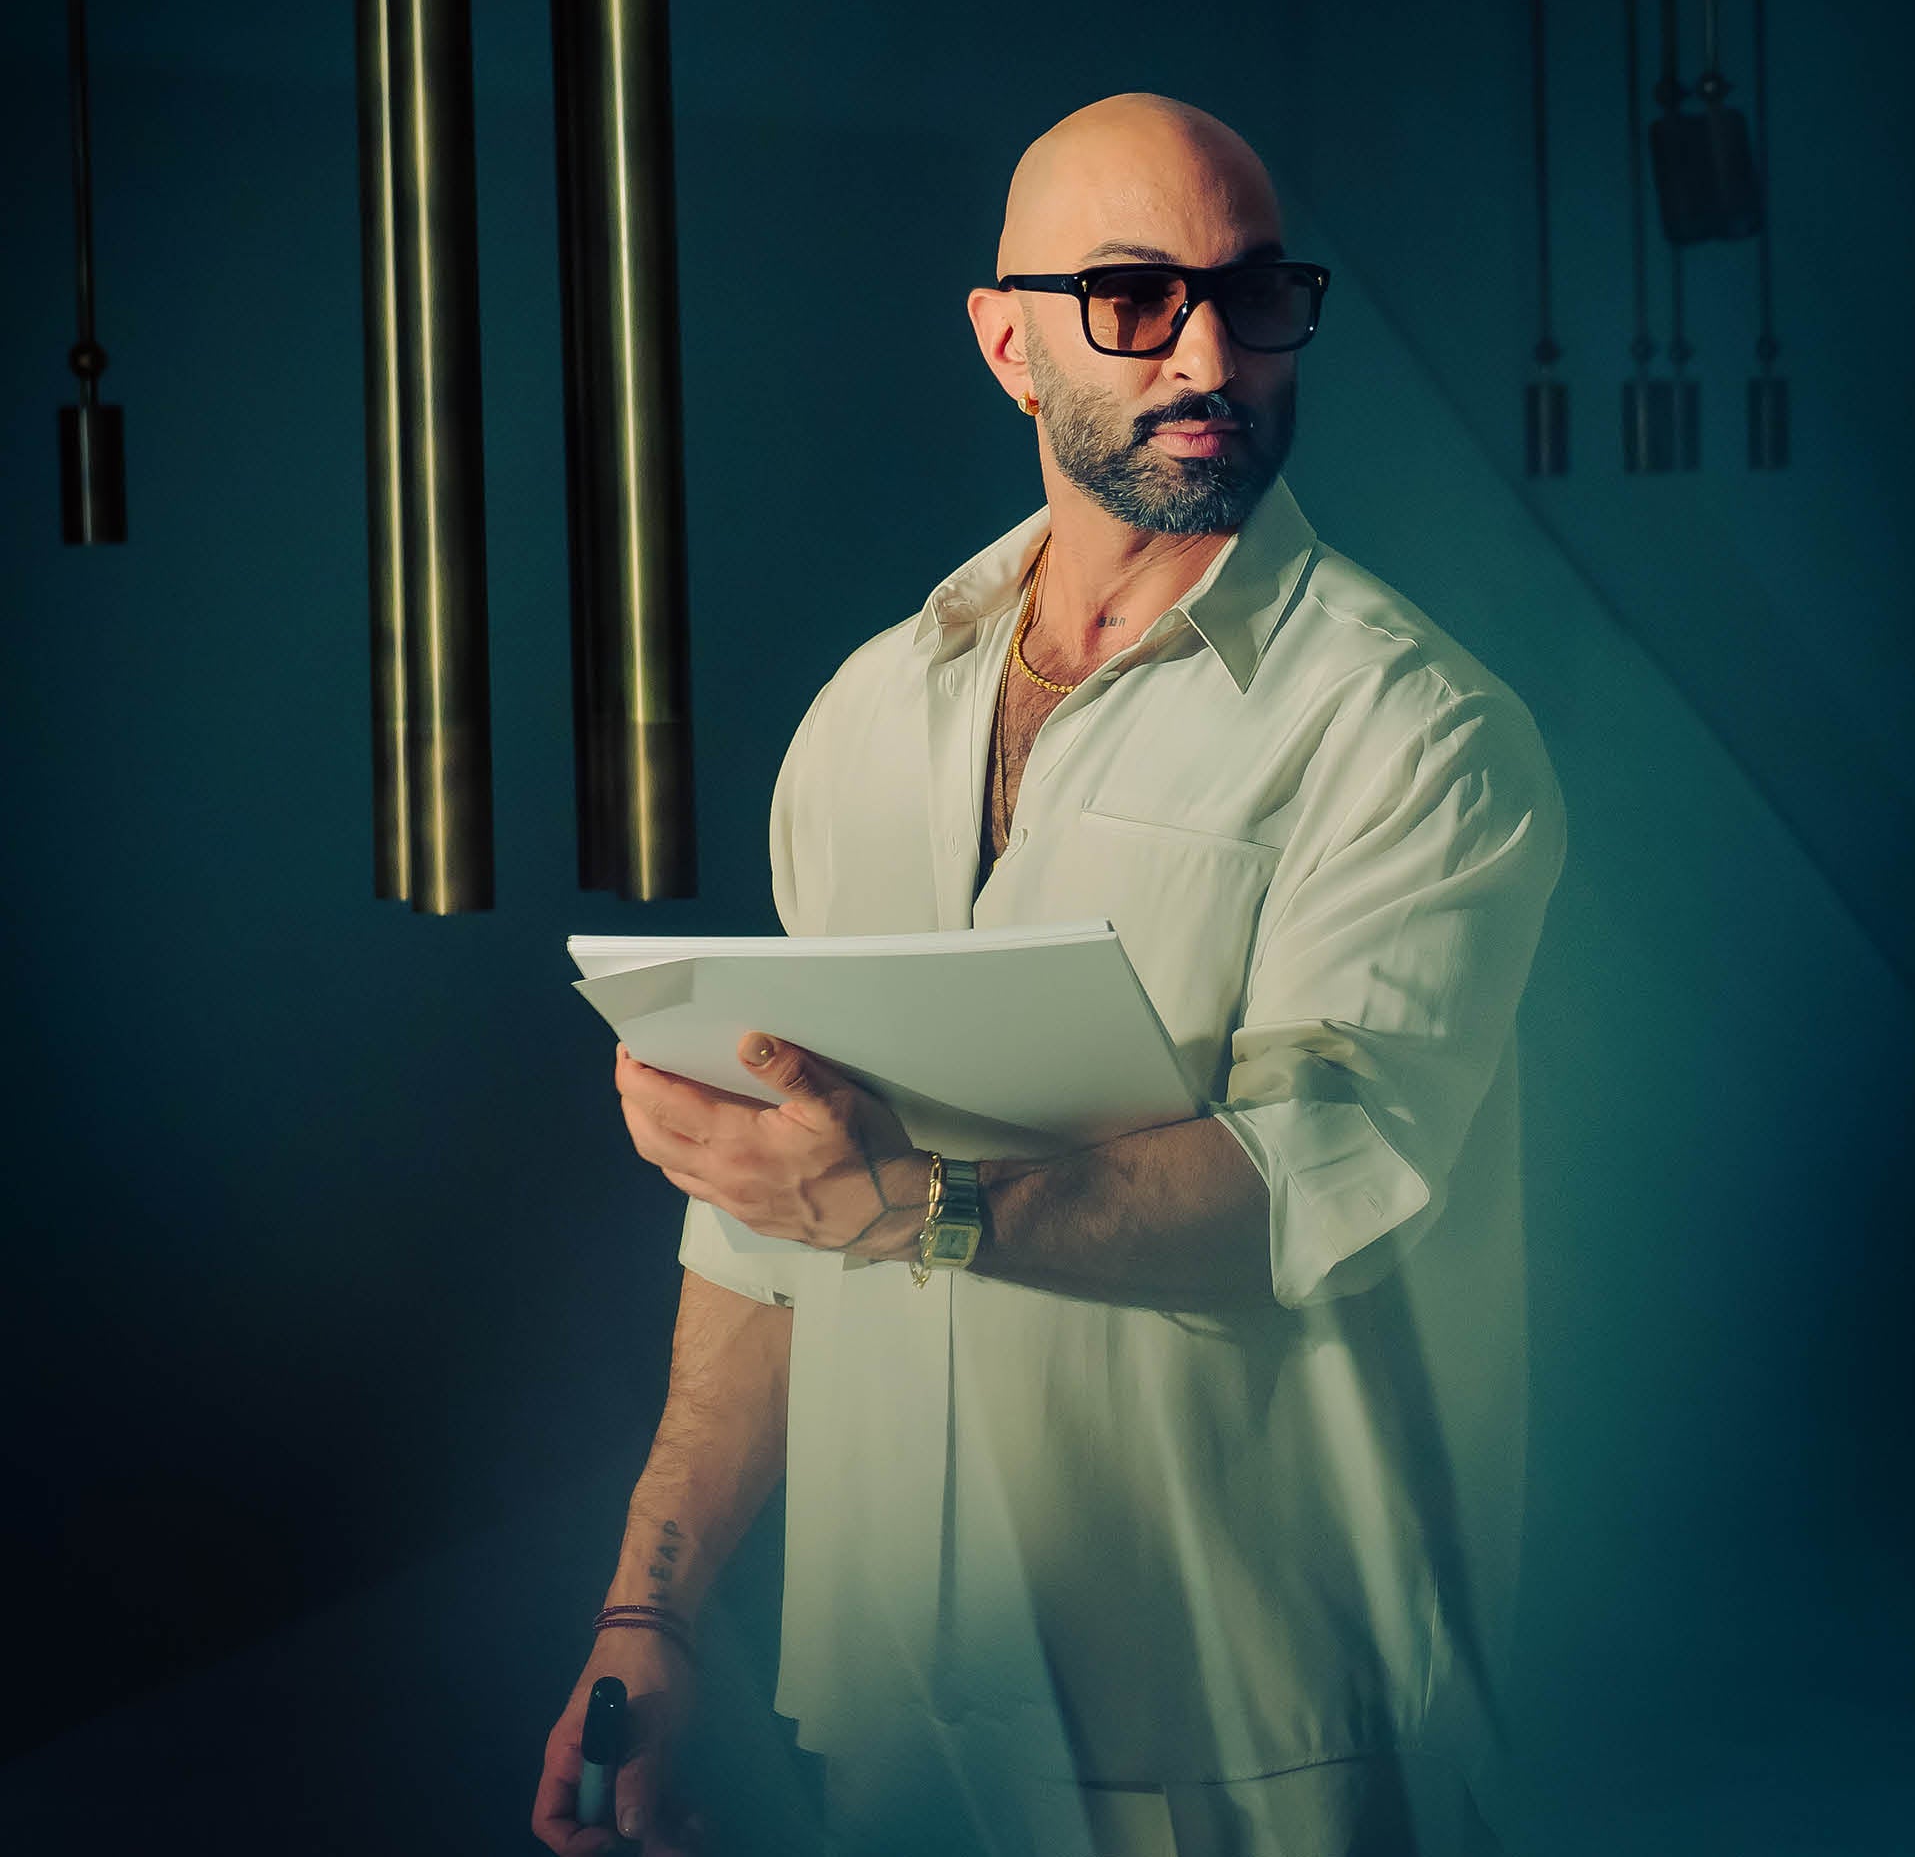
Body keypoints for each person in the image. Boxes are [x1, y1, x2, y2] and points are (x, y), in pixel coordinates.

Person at [533, 94, 1567, 1857]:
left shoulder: (1419, 734)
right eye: (1134, 297)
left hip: (1248, 1732)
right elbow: (764, 1228)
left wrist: (912, 1206)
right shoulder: (866, 717)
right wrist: (656, 1611)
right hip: (894, 1713)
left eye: (1255, 293)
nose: (1212, 355)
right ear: (1008, 345)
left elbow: (1314, 1183)